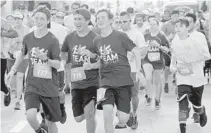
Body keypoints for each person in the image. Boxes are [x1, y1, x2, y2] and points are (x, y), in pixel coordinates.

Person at [6, 7, 61, 133]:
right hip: (32, 84)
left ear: (48, 21)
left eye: (42, 18)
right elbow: (22, 53)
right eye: (37, 18)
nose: (39, 21)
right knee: (30, 116)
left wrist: (45, 59)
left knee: (50, 122)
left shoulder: (53, 40)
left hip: (49, 86)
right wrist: (13, 70)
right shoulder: (28, 37)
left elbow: (57, 64)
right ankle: (40, 131)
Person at [94, 9, 141, 133]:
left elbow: (136, 51)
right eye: (98, 18)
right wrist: (90, 66)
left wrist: (139, 70)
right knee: (107, 114)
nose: (100, 20)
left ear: (110, 20)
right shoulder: (96, 40)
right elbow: (101, 60)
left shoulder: (120, 36)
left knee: (122, 119)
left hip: (123, 81)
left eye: (103, 17)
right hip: (105, 82)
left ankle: (129, 116)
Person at [61, 9, 99, 133]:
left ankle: (91, 117)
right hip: (76, 82)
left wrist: (92, 56)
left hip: (92, 81)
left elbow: (103, 61)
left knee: (89, 113)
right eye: (75, 19)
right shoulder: (70, 37)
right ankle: (91, 117)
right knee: (78, 118)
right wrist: (66, 80)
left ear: (87, 21)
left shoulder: (95, 38)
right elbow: (64, 56)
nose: (77, 22)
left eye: (80, 19)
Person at [170, 18, 210, 133]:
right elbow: (174, 58)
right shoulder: (175, 41)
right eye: (176, 26)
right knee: (182, 103)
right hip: (182, 78)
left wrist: (191, 60)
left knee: (196, 106)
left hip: (196, 78)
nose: (177, 29)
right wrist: (173, 67)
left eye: (180, 26)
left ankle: (201, 111)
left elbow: (207, 55)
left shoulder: (196, 40)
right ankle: (182, 127)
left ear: (187, 28)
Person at [118, 11, 146, 130]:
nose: (122, 24)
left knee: (133, 94)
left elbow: (144, 51)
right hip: (119, 70)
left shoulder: (137, 34)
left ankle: (134, 114)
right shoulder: (116, 34)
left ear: (130, 21)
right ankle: (126, 113)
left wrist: (134, 55)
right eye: (120, 21)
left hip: (133, 69)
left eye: (125, 21)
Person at [185, 12, 211, 123]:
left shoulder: (200, 36)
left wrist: (193, 57)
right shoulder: (179, 35)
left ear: (195, 23)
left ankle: (200, 111)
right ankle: (189, 111)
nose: (186, 24)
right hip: (183, 74)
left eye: (189, 22)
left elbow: (207, 55)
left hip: (197, 74)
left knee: (196, 101)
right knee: (183, 97)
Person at [143, 18, 170, 109]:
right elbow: (141, 48)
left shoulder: (161, 36)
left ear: (158, 25)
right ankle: (148, 95)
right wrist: (145, 48)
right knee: (148, 78)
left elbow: (167, 50)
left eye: (154, 24)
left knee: (157, 81)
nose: (152, 26)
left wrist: (158, 45)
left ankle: (157, 99)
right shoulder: (145, 36)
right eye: (151, 24)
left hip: (158, 61)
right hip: (147, 60)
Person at [12, 12, 30, 110]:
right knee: (13, 78)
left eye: (19, 18)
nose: (17, 20)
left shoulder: (27, 29)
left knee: (20, 77)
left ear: (22, 19)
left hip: (24, 56)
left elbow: (27, 44)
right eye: (15, 18)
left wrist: (17, 41)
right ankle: (17, 95)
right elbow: (8, 44)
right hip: (11, 56)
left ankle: (18, 101)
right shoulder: (10, 29)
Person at [1, 17, 18, 107]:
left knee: (0, 84)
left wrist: (1, 33)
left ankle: (6, 91)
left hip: (1, 56)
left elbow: (14, 33)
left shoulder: (2, 21)